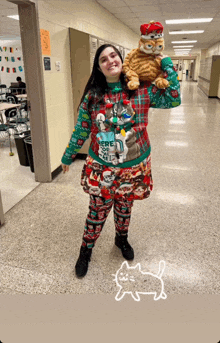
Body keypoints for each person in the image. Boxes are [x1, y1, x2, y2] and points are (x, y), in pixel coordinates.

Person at [61, 44, 181, 278]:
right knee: (97, 212)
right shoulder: (93, 96)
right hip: (102, 167)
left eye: (113, 55)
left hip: (133, 167)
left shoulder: (142, 89)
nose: (110, 61)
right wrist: (68, 154)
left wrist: (167, 66)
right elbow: (82, 129)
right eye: (103, 59)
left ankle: (121, 240)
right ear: (99, 67)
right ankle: (85, 251)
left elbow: (174, 99)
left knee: (125, 207)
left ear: (121, 59)